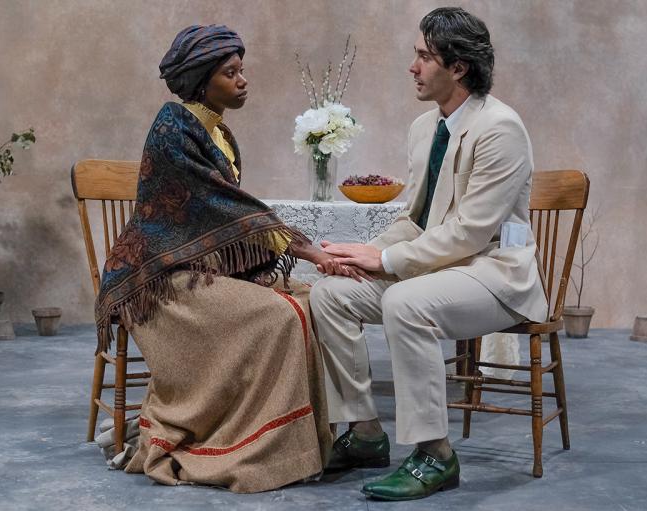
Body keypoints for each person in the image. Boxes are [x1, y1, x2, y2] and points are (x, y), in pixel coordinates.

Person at [309, 7, 549, 501]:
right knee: (330, 292)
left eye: (424, 56)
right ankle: (366, 433)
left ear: (458, 67)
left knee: (405, 302)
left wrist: (389, 264)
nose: (413, 67)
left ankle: (436, 454)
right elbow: (417, 218)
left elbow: (472, 232)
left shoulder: (501, 128)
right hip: (438, 271)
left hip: (494, 275)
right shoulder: (425, 128)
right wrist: (364, 253)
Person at [95, 24, 342, 493]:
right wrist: (307, 248)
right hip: (160, 279)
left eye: (241, 70)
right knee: (278, 316)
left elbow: (224, 215)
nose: (242, 80)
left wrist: (306, 254)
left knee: (308, 301)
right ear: (201, 80)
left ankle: (281, 438)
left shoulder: (218, 132)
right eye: (231, 73)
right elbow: (226, 209)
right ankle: (241, 447)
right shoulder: (173, 128)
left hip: (195, 270)